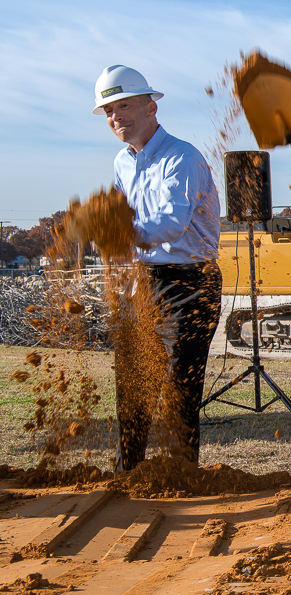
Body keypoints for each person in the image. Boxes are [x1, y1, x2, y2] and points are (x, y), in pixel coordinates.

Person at [93, 65, 222, 471]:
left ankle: (179, 475)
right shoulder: (122, 163)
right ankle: (126, 471)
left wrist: (118, 233)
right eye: (110, 111)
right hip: (144, 280)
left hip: (191, 282)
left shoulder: (182, 157)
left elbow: (170, 223)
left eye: (124, 106)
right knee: (132, 380)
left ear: (151, 107)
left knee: (179, 385)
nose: (117, 118)